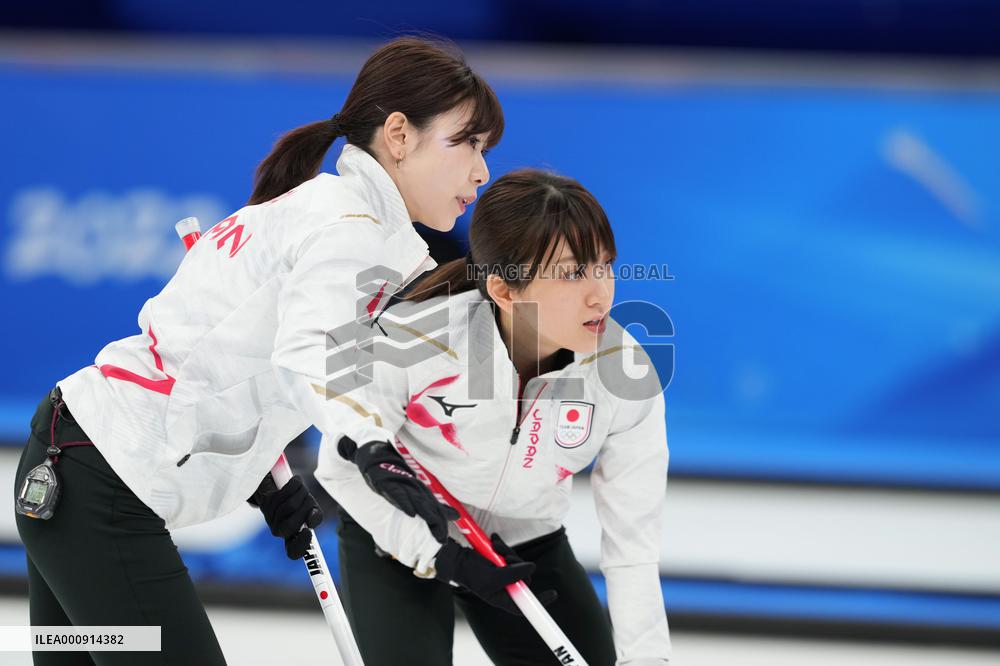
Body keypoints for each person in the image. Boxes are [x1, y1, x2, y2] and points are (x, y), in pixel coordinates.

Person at [13, 36, 502, 666]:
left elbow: (224, 354)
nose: (481, 172)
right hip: (97, 487)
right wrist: (366, 446)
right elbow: (306, 354)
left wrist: (255, 476)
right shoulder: (350, 231)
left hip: (74, 466)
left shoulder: (330, 211)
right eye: (468, 143)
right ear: (400, 135)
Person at [320, 169, 672, 665]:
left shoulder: (624, 373)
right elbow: (339, 467)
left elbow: (632, 542)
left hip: (524, 542)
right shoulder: (415, 340)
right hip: (401, 530)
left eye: (605, 265)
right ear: (505, 290)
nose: (600, 294)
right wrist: (439, 555)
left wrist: (648, 659)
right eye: (572, 273)